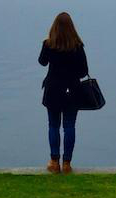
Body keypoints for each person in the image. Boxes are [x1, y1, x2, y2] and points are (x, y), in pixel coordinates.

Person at [38, 12, 89, 174]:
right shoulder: (77, 46)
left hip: (53, 90)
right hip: (72, 91)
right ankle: (67, 163)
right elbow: (83, 72)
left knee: (53, 125)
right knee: (69, 126)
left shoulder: (49, 45)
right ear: (71, 28)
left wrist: (46, 42)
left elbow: (42, 62)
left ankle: (54, 162)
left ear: (54, 27)